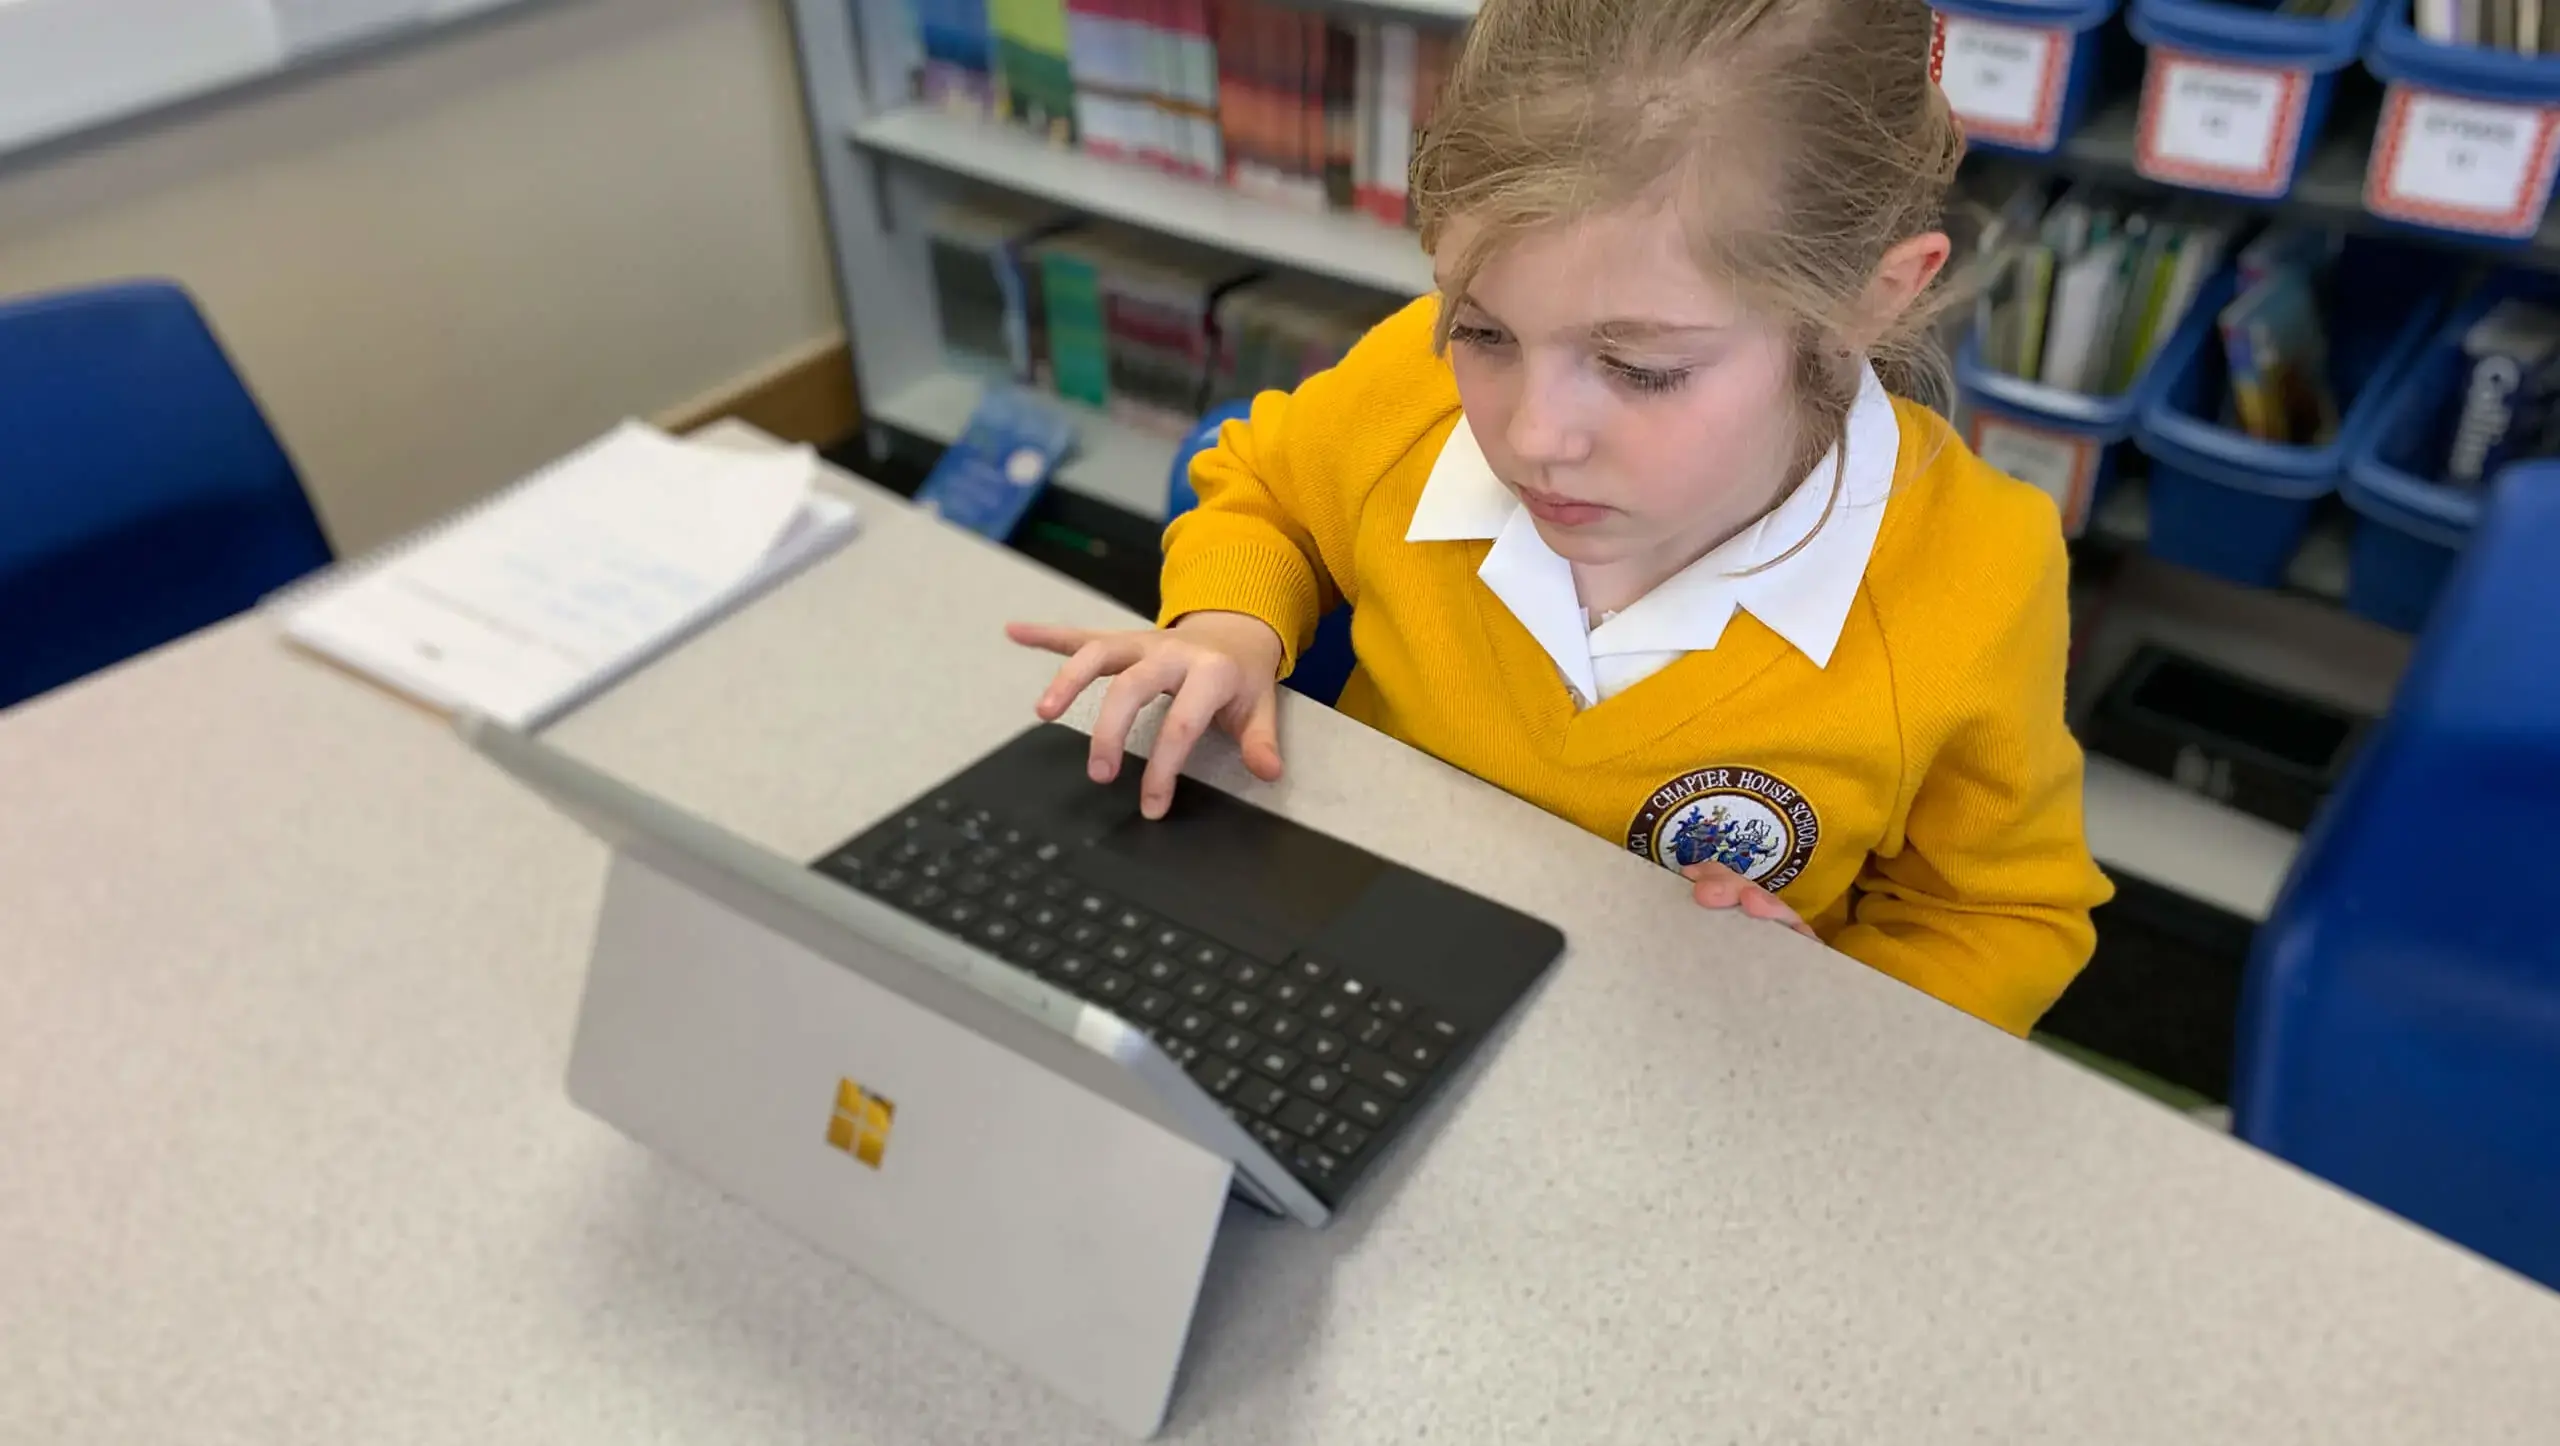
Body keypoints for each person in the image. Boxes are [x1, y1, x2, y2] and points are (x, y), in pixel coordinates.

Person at [1006, 0, 2114, 1036]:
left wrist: (1828, 1008)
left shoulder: (1971, 577)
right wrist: (1226, 627)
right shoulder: (1412, 389)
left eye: (1639, 367)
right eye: (1483, 332)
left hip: (1679, 1064)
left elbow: (2000, 919)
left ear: (1872, 299)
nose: (1533, 435)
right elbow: (1266, 492)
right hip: (1346, 958)